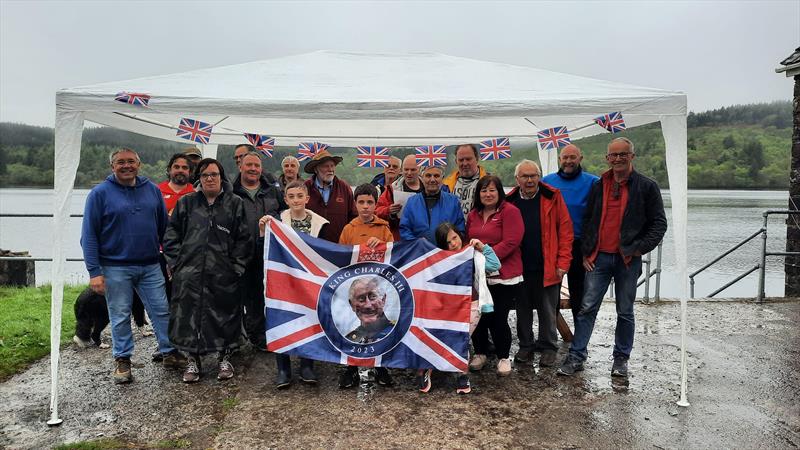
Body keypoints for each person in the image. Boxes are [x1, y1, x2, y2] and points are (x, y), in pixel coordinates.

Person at [558, 138, 667, 379]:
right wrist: (587, 251)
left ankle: (621, 359)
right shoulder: (599, 184)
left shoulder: (646, 186)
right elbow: (588, 220)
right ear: (607, 158)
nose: (618, 158)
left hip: (628, 259)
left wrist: (639, 248)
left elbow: (659, 224)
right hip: (599, 258)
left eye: (623, 154)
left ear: (632, 156)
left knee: (625, 311)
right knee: (586, 308)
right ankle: (576, 355)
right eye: (613, 155)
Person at [80, 148, 182, 384]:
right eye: (120, 162)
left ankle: (169, 352)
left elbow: (163, 229)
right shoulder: (99, 194)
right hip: (115, 267)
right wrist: (94, 272)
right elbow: (89, 236)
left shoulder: (152, 190)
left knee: (161, 310)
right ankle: (123, 360)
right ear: (112, 166)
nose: (126, 166)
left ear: (139, 163)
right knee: (120, 314)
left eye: (131, 162)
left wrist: (168, 259)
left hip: (149, 264)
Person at [163, 158, 253, 383]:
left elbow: (244, 238)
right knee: (190, 316)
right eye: (204, 175)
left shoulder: (235, 203)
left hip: (224, 274)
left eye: (214, 174)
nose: (209, 179)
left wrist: (237, 267)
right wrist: (176, 264)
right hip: (190, 274)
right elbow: (171, 234)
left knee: (224, 315)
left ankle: (224, 357)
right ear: (198, 179)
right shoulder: (186, 203)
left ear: (221, 177)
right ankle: (193, 360)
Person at [259, 180, 328, 389]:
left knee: (309, 320)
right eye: (292, 197)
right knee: (281, 319)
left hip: (309, 281)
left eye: (300, 196)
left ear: (307, 199)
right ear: (286, 199)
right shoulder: (277, 221)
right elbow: (265, 248)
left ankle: (307, 364)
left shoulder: (320, 224)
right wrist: (264, 230)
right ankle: (283, 368)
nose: (296, 200)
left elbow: (324, 252)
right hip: (283, 280)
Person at [507, 160, 574, 368]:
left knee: (547, 309)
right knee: (523, 309)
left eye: (533, 176)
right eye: (525, 176)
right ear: (517, 179)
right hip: (519, 266)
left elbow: (565, 231)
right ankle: (526, 346)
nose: (529, 180)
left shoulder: (552, 196)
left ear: (539, 176)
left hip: (548, 265)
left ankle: (548, 347)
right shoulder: (509, 201)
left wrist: (563, 261)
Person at [422, 222, 500, 395]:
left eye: (455, 238)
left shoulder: (471, 254)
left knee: (460, 339)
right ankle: (427, 369)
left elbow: (495, 266)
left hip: (471, 305)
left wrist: (483, 247)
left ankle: (461, 374)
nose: (453, 244)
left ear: (459, 235)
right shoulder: (440, 260)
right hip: (446, 307)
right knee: (437, 338)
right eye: (448, 243)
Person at [465, 176, 524, 376]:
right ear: (478, 194)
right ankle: (480, 352)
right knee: (479, 316)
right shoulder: (473, 214)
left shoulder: (510, 212)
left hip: (504, 275)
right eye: (483, 191)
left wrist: (487, 257)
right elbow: (467, 240)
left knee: (499, 317)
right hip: (479, 277)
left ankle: (503, 357)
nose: (488, 194)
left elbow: (512, 241)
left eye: (492, 190)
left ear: (499, 192)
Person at [338, 183, 394, 389]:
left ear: (376, 204)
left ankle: (381, 366)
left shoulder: (384, 228)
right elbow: (341, 258)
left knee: (378, 329)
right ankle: (351, 369)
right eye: (361, 202)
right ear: (355, 204)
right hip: (355, 289)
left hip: (376, 288)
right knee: (354, 329)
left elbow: (391, 256)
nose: (365, 206)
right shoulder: (348, 229)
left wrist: (380, 245)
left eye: (370, 202)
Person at [542, 144, 599, 324]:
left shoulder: (593, 183)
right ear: (560, 159)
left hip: (580, 245)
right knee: (551, 292)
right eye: (565, 157)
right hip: (553, 245)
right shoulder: (546, 181)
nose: (568, 161)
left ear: (580, 159)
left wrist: (591, 250)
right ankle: (549, 337)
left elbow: (599, 217)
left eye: (572, 157)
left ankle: (580, 339)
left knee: (579, 293)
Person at [232, 151, 284, 350]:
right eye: (249, 165)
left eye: (257, 165)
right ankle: (237, 337)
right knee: (240, 296)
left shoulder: (272, 191)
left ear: (261, 168)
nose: (253, 169)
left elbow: (283, 214)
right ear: (240, 167)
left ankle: (261, 336)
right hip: (240, 254)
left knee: (264, 295)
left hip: (267, 253)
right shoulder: (230, 191)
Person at [399, 165, 465, 243]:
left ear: (442, 178)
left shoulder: (453, 202)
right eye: (428, 176)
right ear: (422, 178)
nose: (432, 180)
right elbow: (405, 230)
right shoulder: (412, 202)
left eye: (436, 176)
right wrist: (417, 245)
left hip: (446, 252)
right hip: (420, 252)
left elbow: (460, 230)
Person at [304, 149, 357, 243]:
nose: (331, 169)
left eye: (332, 166)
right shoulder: (305, 188)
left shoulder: (344, 187)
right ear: (316, 169)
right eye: (326, 166)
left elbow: (353, 216)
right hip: (311, 246)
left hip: (339, 246)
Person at [376, 154, 424, 240]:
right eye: (406, 169)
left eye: (413, 170)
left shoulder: (428, 188)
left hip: (423, 237)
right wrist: (389, 210)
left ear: (419, 170)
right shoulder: (392, 189)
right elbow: (377, 211)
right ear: (401, 170)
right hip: (400, 237)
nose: (409, 173)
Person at [443, 144, 488, 216]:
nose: (465, 163)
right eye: (461, 160)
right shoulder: (445, 184)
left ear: (477, 159)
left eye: (468, 159)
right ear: (456, 161)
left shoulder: (489, 182)